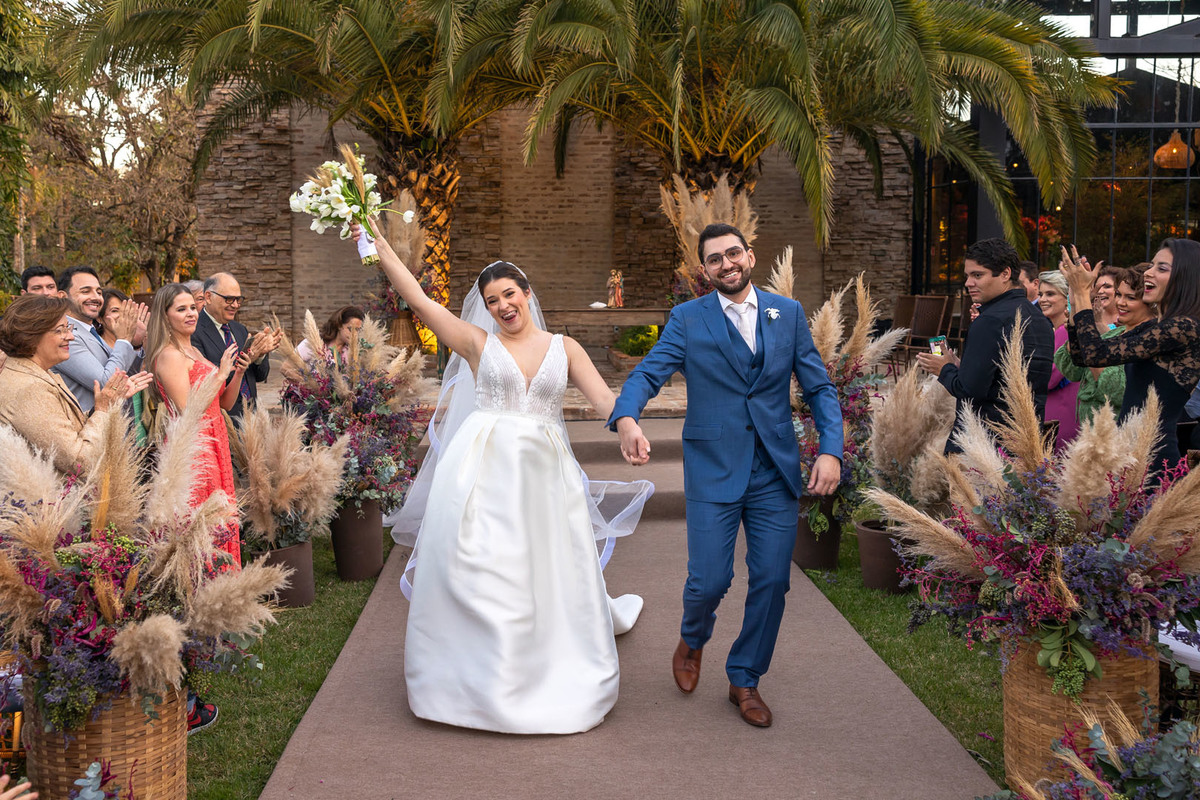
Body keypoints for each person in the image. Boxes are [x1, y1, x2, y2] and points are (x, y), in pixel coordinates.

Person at [359, 222, 654, 735]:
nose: (502, 306)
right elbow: (419, 299)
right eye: (492, 300)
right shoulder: (475, 343)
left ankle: (549, 661)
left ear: (527, 294)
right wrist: (378, 245)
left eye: (509, 294)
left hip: (543, 472)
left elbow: (605, 399)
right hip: (481, 470)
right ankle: (469, 677)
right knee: (480, 564)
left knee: (545, 563)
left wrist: (627, 426)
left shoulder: (565, 348)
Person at [610, 222, 843, 729]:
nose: (726, 264)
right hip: (714, 466)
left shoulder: (789, 314)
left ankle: (744, 677)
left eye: (733, 253)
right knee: (709, 580)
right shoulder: (688, 318)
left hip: (774, 469)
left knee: (773, 580)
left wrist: (831, 451)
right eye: (714, 259)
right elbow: (649, 373)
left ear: (750, 256)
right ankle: (694, 636)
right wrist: (627, 418)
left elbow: (820, 388)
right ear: (705, 270)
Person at [1062, 239, 1200, 471]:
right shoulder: (1155, 327)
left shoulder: (1184, 328)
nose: (1149, 272)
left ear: (1185, 277)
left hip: (1154, 457)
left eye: (1161, 268)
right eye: (1152, 265)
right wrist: (1077, 300)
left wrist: (1084, 293)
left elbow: (1096, 355)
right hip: (1128, 451)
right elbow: (1082, 356)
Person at [917, 238, 1054, 455]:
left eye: (977, 275)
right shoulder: (1040, 319)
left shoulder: (990, 320)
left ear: (1006, 274)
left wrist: (943, 369)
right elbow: (1004, 378)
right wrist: (963, 366)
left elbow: (969, 390)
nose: (968, 283)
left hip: (984, 447)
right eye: (968, 275)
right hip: (1026, 444)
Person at [145, 283, 248, 568]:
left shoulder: (195, 352)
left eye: (192, 307)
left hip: (217, 441)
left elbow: (224, 403)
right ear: (165, 317)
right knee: (202, 520)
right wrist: (220, 373)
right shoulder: (169, 355)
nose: (191, 313)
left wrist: (236, 372)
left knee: (221, 517)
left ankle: (226, 587)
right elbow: (188, 409)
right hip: (194, 448)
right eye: (181, 309)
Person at [0, 295, 150, 474]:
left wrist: (109, 400)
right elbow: (79, 462)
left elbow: (65, 428)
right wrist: (103, 409)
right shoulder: (30, 389)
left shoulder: (37, 373)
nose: (70, 337)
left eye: (68, 328)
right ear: (31, 335)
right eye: (60, 330)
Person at [1054, 266, 1145, 426]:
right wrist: (1076, 305)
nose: (1120, 302)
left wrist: (1083, 308)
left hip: (1121, 437)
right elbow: (1073, 370)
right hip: (1090, 435)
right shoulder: (1114, 334)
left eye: (1130, 298)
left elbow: (1114, 391)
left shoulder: (1149, 341)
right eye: (1119, 295)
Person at [52, 266, 148, 413]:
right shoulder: (65, 336)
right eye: (85, 291)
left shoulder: (90, 332)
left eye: (99, 292)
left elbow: (127, 376)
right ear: (62, 296)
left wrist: (135, 343)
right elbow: (106, 385)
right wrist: (124, 340)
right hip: (89, 430)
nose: (96, 297)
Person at [192, 272, 280, 420]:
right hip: (221, 418)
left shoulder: (240, 330)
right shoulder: (194, 332)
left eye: (238, 299)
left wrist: (260, 355)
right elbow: (205, 379)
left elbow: (259, 376)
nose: (235, 305)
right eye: (229, 299)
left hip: (251, 417)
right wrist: (244, 362)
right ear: (208, 297)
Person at [1037, 270, 1080, 451]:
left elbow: (1050, 378)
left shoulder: (1065, 331)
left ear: (1067, 299)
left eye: (1051, 294)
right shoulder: (1058, 330)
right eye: (1040, 294)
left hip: (1063, 412)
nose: (1042, 299)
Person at [297, 305, 364, 366]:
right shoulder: (314, 342)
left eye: (358, 330)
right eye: (351, 329)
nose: (355, 334)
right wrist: (307, 379)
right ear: (339, 325)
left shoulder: (353, 352)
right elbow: (287, 366)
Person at [1091, 264, 1122, 332]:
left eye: (1107, 286)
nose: (1100, 291)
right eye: (1098, 287)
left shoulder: (1128, 317)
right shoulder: (1090, 315)